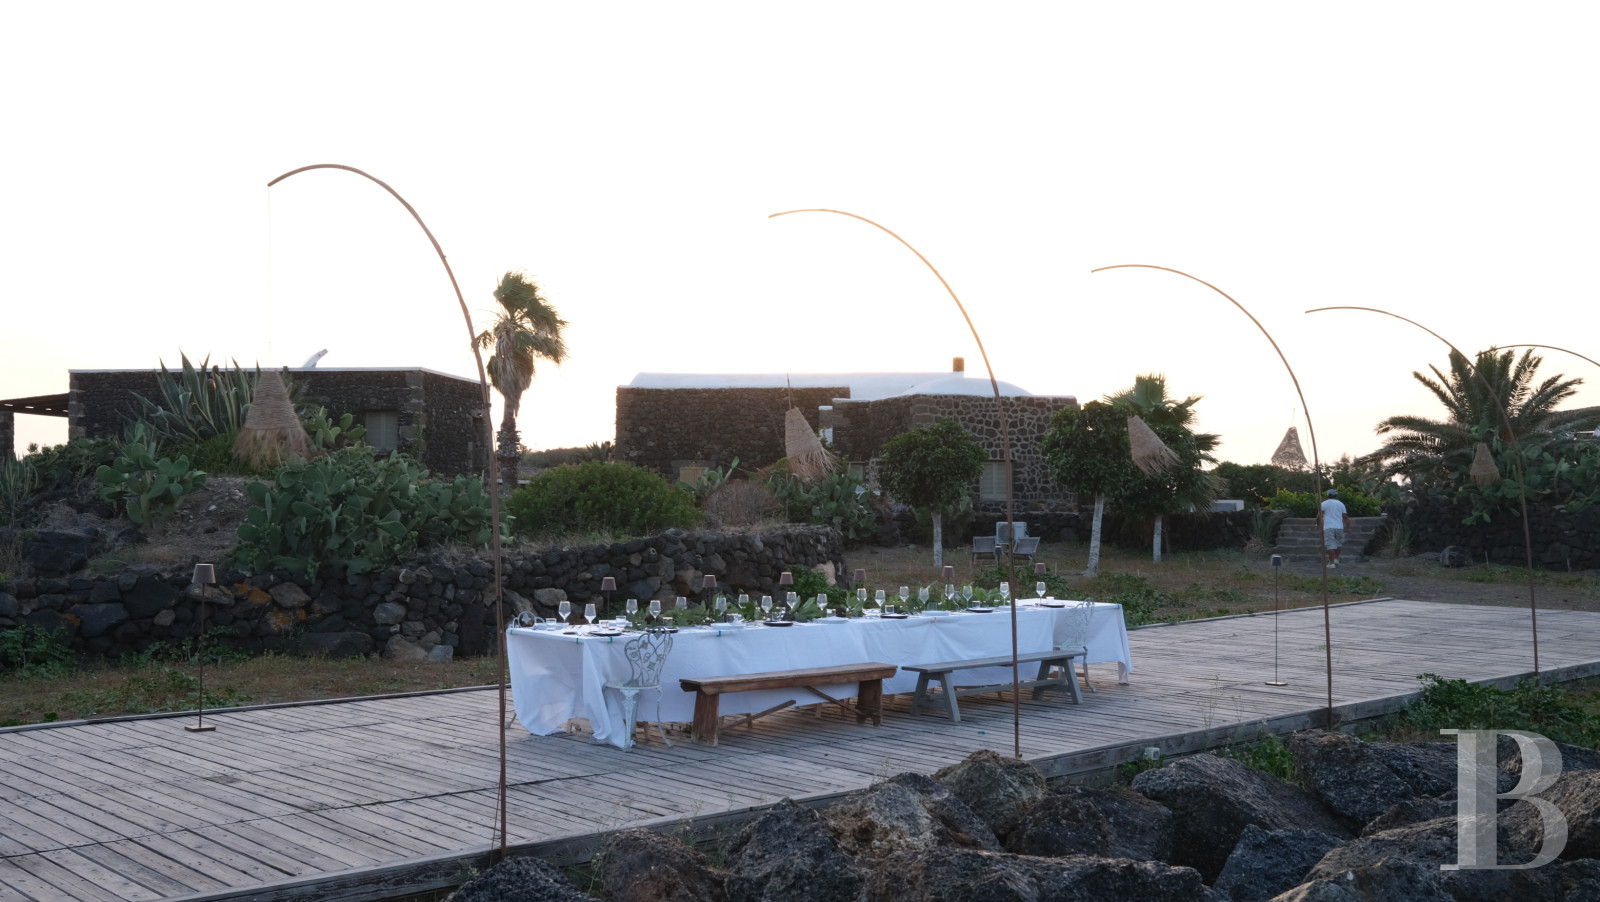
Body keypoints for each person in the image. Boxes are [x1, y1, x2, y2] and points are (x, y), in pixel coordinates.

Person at [1320, 488, 1350, 568]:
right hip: (1339, 527)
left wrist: (1318, 524)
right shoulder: (1341, 504)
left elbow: (1320, 515)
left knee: (1330, 545)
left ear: (1328, 495)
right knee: (1339, 544)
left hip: (1329, 527)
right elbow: (1345, 517)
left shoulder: (1324, 504)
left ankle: (1331, 563)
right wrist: (1348, 528)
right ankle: (1336, 558)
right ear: (1336, 495)